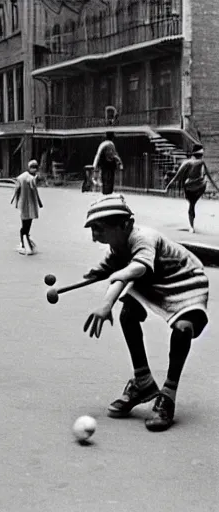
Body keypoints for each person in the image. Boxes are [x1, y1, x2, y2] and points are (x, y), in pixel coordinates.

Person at [82, 194, 209, 432]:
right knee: (128, 314)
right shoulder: (118, 244)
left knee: (183, 329)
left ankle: (168, 396)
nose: (95, 236)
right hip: (153, 280)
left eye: (99, 229)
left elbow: (134, 269)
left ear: (125, 225)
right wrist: (93, 274)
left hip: (185, 281)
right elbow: (111, 266)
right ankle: (143, 382)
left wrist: (106, 303)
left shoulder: (143, 238)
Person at [165, 143, 219, 233]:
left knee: (191, 205)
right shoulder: (201, 163)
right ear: (200, 154)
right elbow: (209, 177)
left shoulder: (187, 163)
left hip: (190, 188)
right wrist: (217, 188)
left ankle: (191, 226)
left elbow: (177, 176)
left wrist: (168, 186)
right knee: (192, 204)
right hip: (200, 187)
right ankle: (191, 226)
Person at [11, 159, 43, 255]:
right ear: (29, 168)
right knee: (26, 225)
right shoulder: (28, 178)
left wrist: (16, 203)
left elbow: (16, 191)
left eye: (35, 168)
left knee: (26, 224)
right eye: (33, 168)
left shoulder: (21, 177)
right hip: (28, 204)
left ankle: (24, 242)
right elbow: (32, 185)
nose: (34, 170)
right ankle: (24, 244)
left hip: (25, 204)